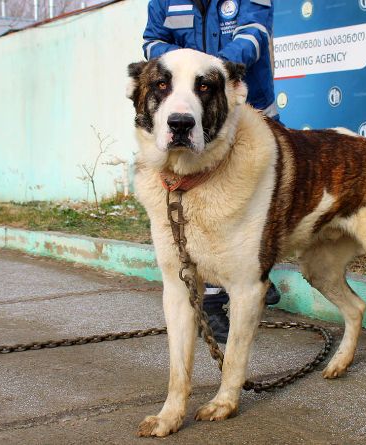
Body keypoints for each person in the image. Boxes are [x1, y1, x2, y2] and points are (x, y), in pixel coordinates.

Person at [141, 0, 280, 343]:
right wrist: (184, 64)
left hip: (250, 113)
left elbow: (254, 34)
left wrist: (211, 67)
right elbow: (151, 41)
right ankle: (215, 301)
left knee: (263, 203)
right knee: (207, 207)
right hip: (192, 117)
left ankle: (255, 269)